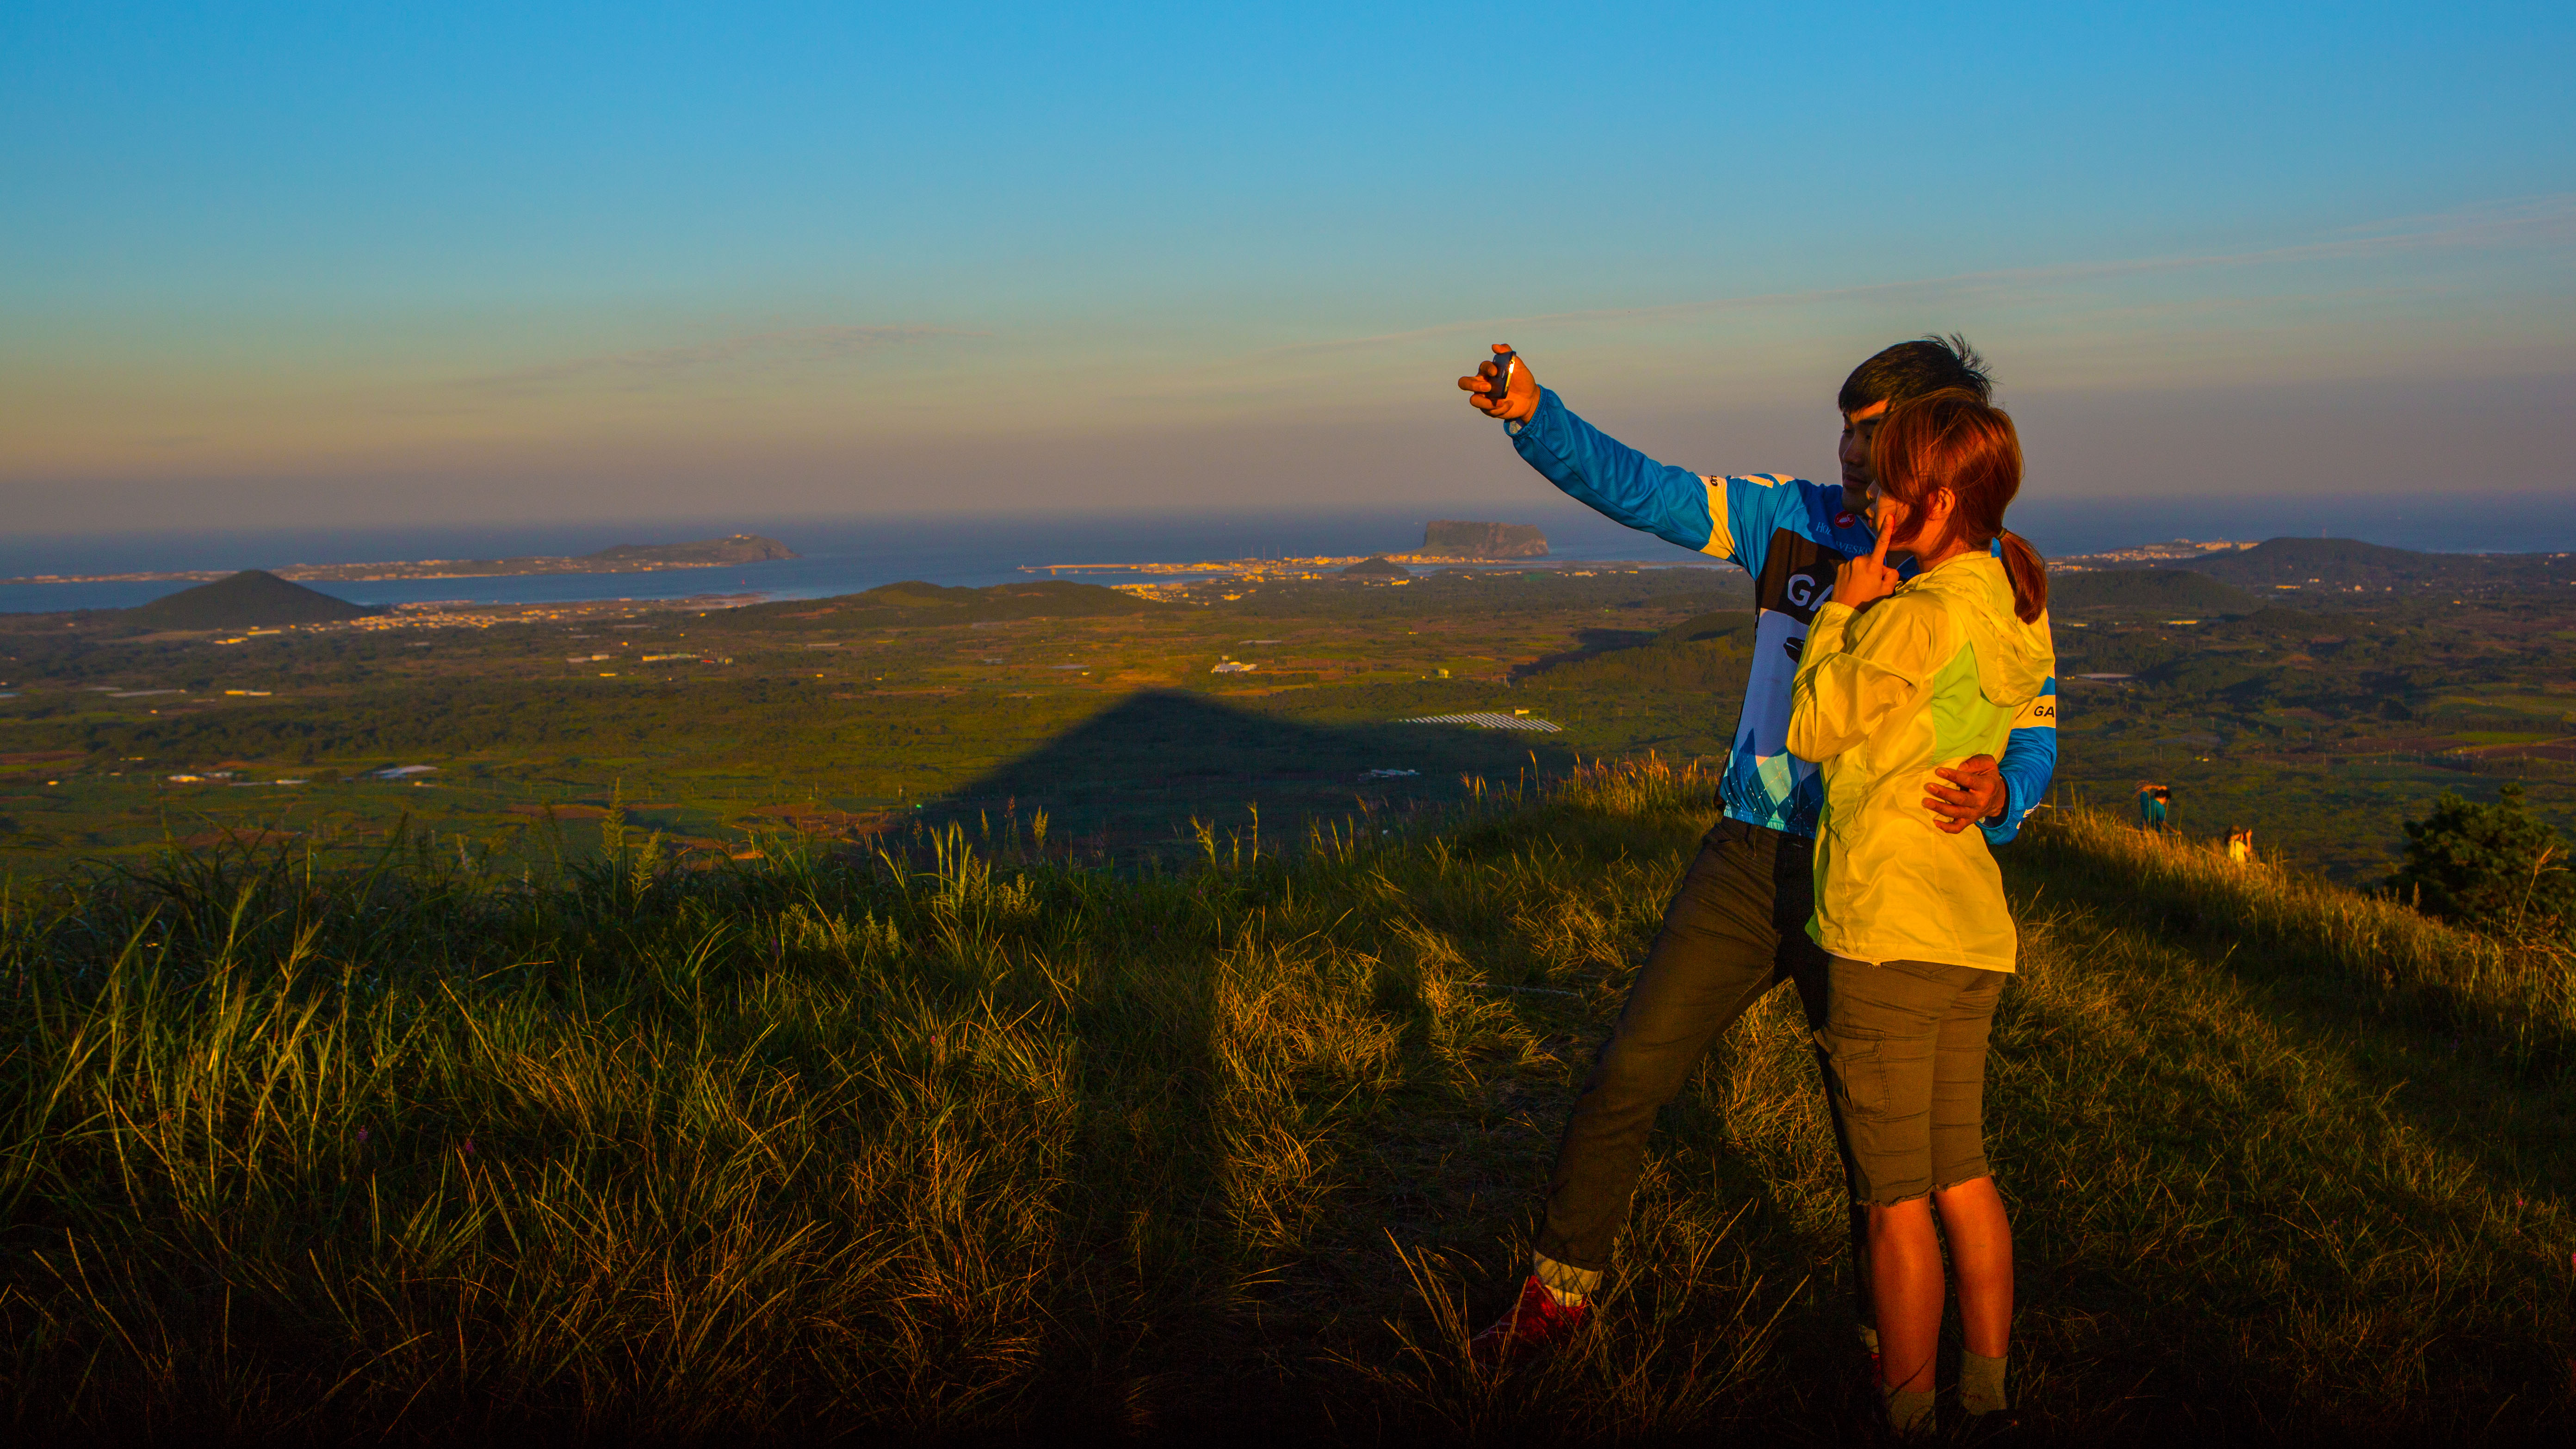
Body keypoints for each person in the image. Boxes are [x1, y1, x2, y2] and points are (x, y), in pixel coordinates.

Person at [1453, 338, 2059, 1363]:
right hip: (1751, 855)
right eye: (1847, 430)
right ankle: (1557, 1299)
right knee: (1630, 1071)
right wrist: (1535, 417)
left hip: (1878, 873)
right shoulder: (1792, 520)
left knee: (1874, 1140)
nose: (1853, 453)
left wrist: (2004, 796)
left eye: (1875, 433)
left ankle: (1890, 1343)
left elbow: (2034, 730)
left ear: (1935, 442)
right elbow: (1648, 492)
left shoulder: (1992, 574)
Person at [1787, 389, 2053, 1436]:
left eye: (1892, 482)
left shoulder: (1914, 613)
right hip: (1970, 929)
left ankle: (1906, 1419)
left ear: (1938, 501)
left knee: (1895, 1202)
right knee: (1963, 1176)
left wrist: (1842, 609)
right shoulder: (2015, 600)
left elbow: (1813, 728)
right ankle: (1986, 1398)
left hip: (1886, 925)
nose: (1873, 496)